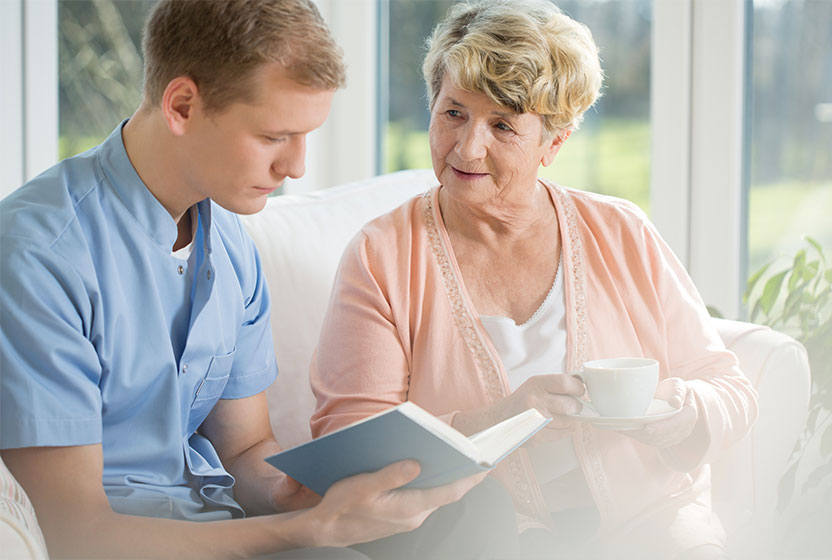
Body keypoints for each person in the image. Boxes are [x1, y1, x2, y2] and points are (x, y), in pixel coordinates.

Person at [0, 1, 519, 558]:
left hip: (224, 521)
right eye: (275, 137)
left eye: (305, 137)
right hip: (131, 541)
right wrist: (308, 531)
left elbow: (244, 449)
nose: (295, 167)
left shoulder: (226, 239)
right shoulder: (39, 257)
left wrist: (307, 497)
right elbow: (77, 535)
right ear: (181, 106)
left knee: (470, 508)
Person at [309, 1, 759, 559]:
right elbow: (349, 447)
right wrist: (505, 419)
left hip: (652, 527)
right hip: (486, 537)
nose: (469, 147)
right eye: (454, 113)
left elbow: (730, 388)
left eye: (502, 125)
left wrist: (676, 414)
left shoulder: (621, 231)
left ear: (554, 142)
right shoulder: (382, 256)